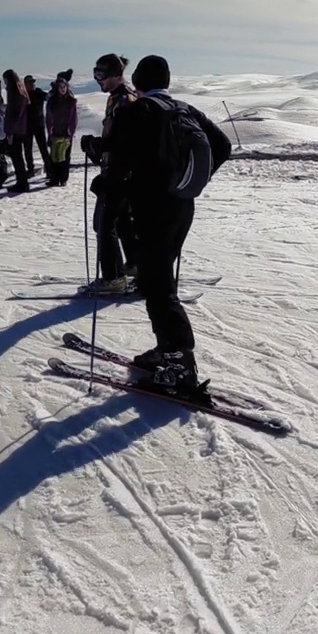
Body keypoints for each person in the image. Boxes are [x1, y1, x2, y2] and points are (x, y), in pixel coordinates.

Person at [99, 54, 231, 393]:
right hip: (181, 206)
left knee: (157, 287)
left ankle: (179, 364)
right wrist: (189, 182)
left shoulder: (136, 111)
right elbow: (223, 145)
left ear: (139, 81)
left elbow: (120, 161)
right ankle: (167, 351)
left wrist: (109, 189)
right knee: (159, 279)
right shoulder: (184, 109)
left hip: (149, 208)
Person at [80, 53, 138, 292]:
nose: (98, 80)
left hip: (119, 173)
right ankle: (135, 265)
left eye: (101, 75)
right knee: (122, 221)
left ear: (116, 75)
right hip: (123, 171)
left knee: (104, 225)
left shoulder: (124, 100)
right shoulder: (120, 96)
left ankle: (113, 277)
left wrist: (97, 146)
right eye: (95, 74)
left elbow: (123, 142)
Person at [45, 72, 78, 187]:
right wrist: (50, 132)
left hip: (66, 132)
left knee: (65, 156)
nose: (63, 89)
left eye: (64, 87)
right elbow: (49, 118)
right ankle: (54, 178)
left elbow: (73, 118)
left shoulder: (71, 101)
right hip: (55, 131)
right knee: (54, 156)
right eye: (60, 87)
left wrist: (70, 132)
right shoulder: (52, 101)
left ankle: (63, 178)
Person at [2, 69, 30, 192]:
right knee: (19, 157)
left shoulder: (14, 92)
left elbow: (14, 114)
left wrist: (10, 132)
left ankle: (22, 182)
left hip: (15, 130)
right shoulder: (22, 91)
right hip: (22, 128)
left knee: (17, 157)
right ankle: (22, 182)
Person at [23, 75, 52, 178]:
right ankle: (30, 170)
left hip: (38, 125)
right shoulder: (23, 94)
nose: (32, 84)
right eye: (30, 82)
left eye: (33, 82)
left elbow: (48, 97)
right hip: (27, 126)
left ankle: (49, 170)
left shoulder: (38, 92)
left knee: (43, 148)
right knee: (27, 149)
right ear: (25, 84)